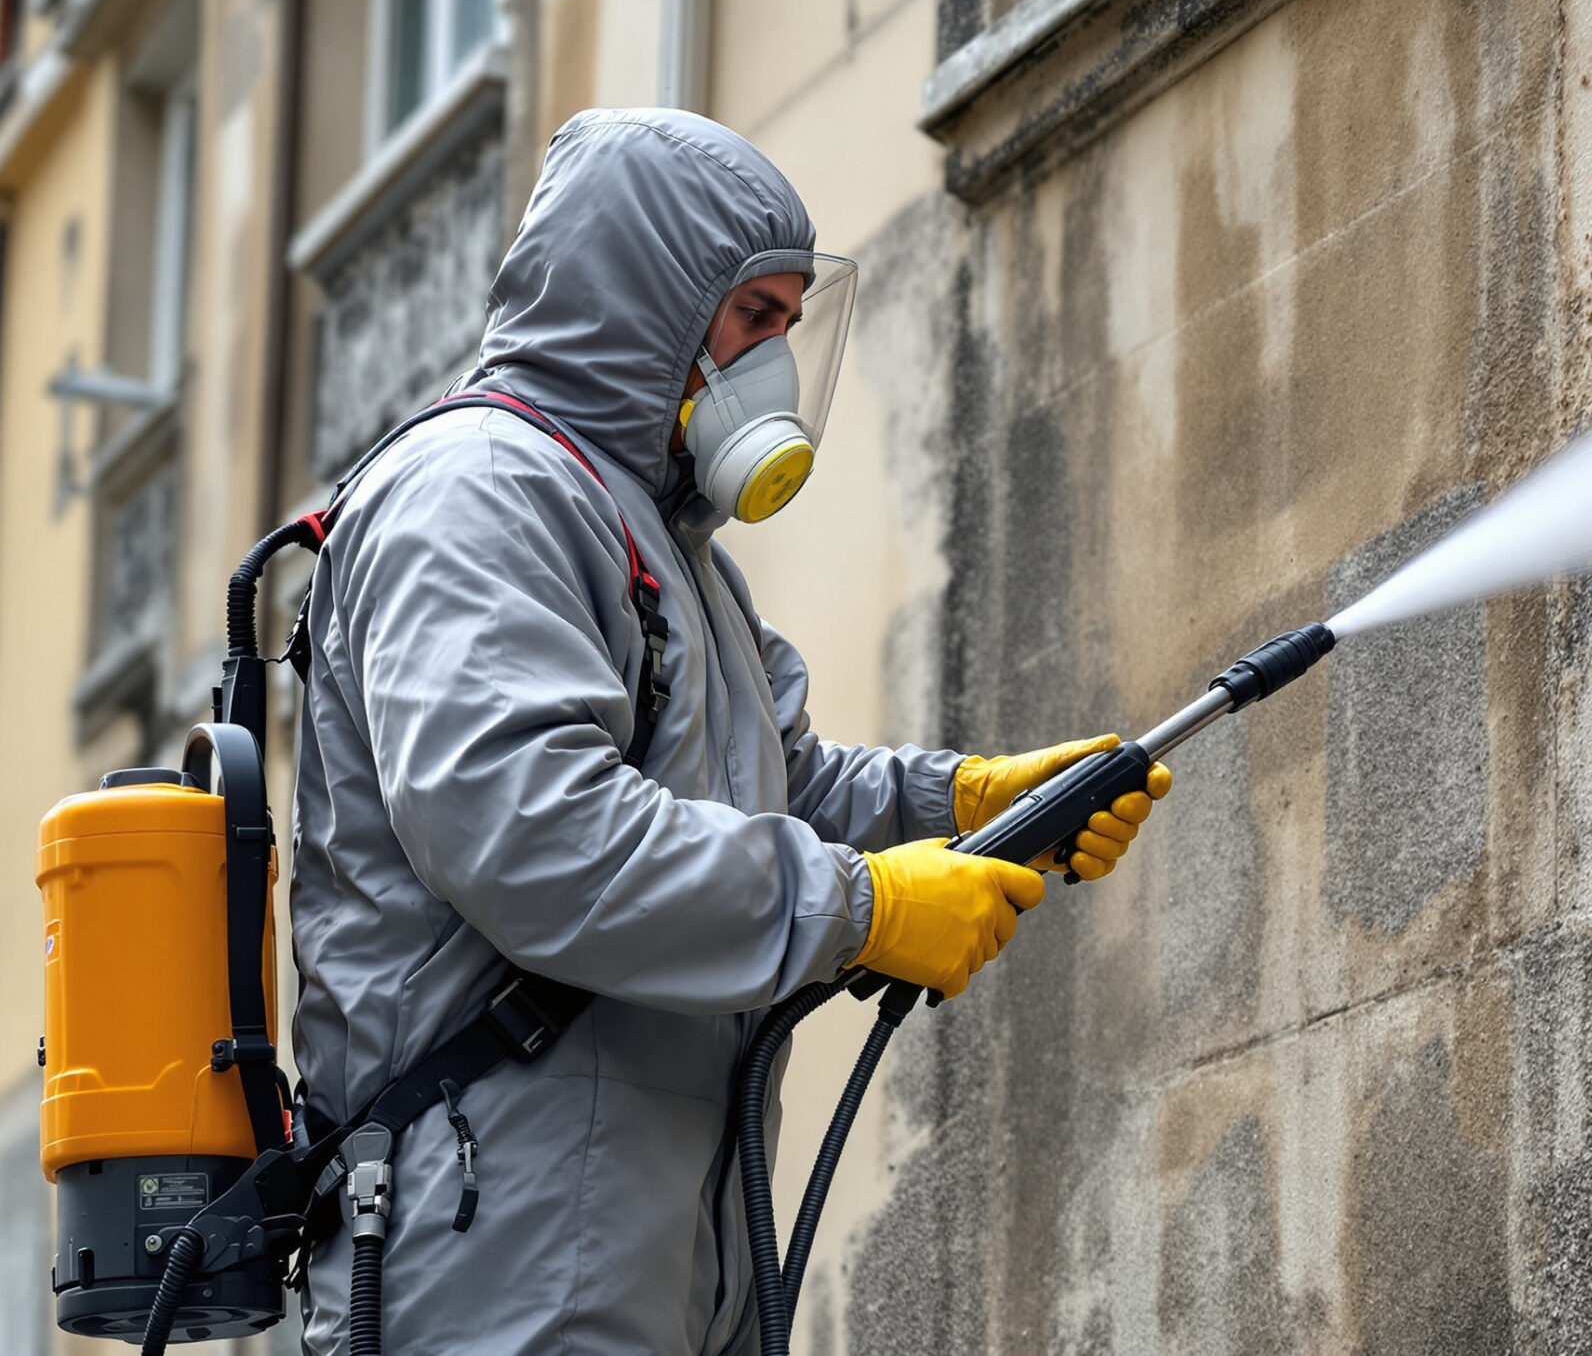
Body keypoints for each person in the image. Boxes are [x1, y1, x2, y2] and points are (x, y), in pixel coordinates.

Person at [287, 108, 1166, 1353]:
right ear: (644, 299)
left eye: (790, 326)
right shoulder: (478, 490)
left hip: (638, 1254)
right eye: (755, 315)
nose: (775, 363)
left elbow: (775, 789)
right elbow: (533, 835)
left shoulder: (666, 546)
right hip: (488, 1249)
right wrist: (862, 905)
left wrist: (968, 804)